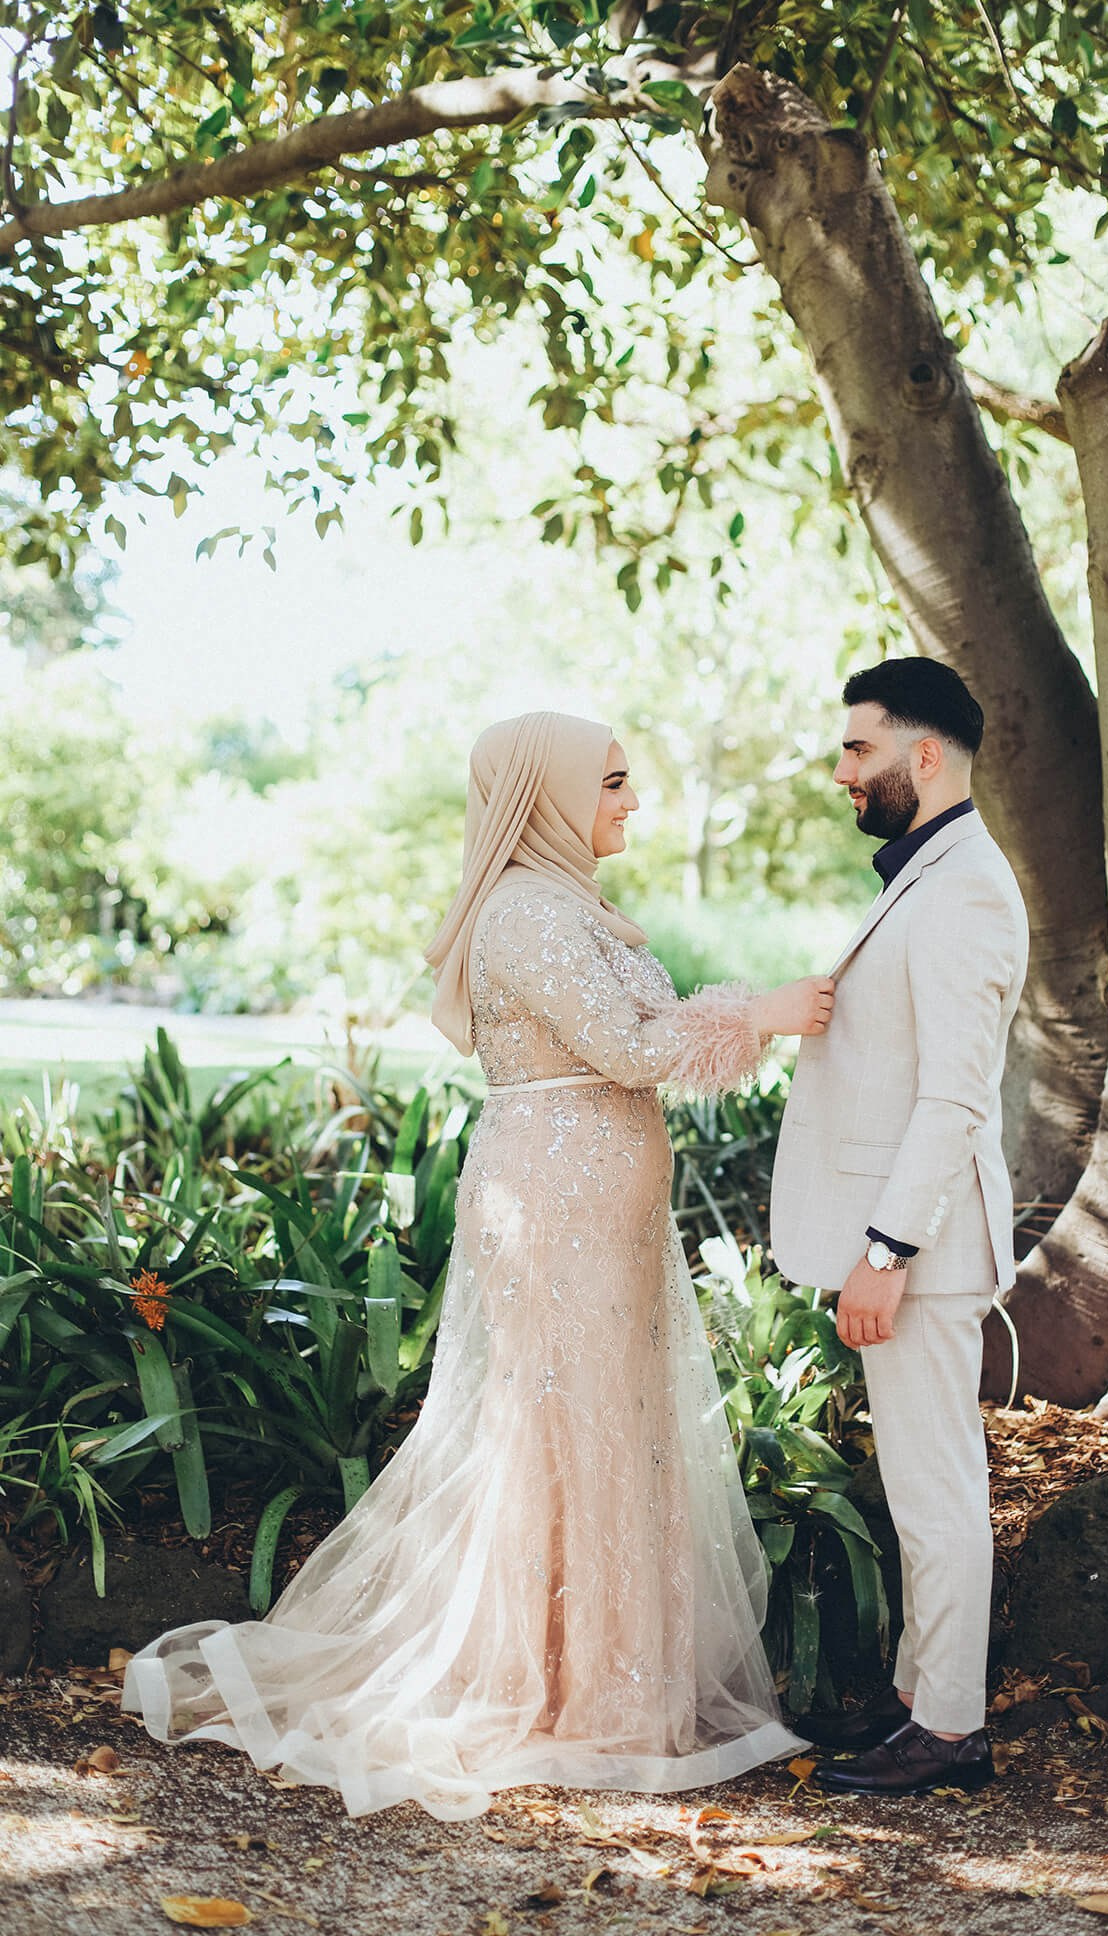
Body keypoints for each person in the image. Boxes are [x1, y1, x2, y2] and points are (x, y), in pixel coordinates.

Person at [124, 709, 833, 1821]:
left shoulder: (573, 907)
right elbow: (634, 1047)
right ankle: (556, 1682)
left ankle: (603, 1673)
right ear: (548, 794)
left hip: (599, 1197)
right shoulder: (527, 915)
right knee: (565, 1420)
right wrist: (766, 1013)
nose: (631, 800)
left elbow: (644, 1025)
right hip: (557, 1200)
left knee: (608, 1417)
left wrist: (745, 1014)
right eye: (610, 781)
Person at [769, 658, 1029, 1795]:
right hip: (905, 1240)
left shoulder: (968, 884)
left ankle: (951, 1729)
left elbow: (955, 1097)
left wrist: (886, 1252)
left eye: (856, 748)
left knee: (937, 1486)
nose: (840, 771)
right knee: (925, 1480)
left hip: (922, 1248)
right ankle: (923, 1703)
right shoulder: (930, 872)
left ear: (924, 756)